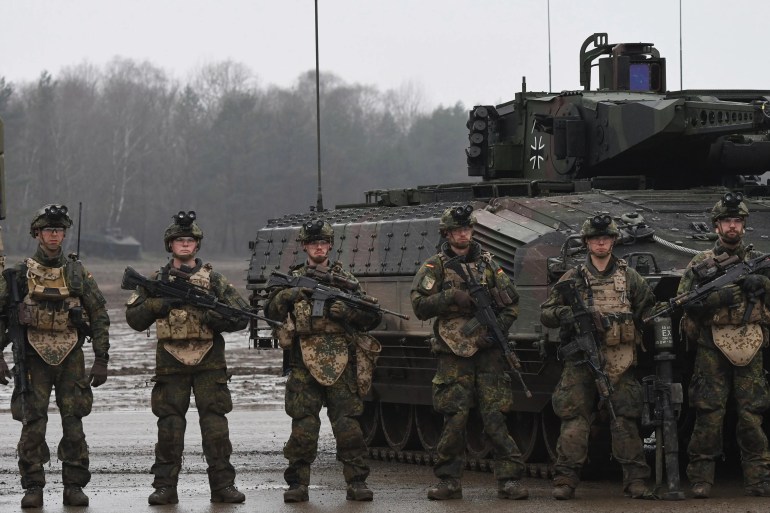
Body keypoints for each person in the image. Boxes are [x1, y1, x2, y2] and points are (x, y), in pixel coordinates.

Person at [125, 211, 248, 505]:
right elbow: (134, 318)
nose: (184, 244)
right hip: (170, 362)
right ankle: (165, 486)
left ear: (197, 245)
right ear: (170, 245)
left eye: (189, 240)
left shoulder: (213, 279)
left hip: (210, 363)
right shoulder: (156, 279)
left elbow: (241, 316)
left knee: (215, 426)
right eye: (179, 240)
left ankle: (223, 486)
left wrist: (214, 317)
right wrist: (159, 304)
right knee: (169, 427)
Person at [410, 205, 528, 501]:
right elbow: (419, 306)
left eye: (467, 229)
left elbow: (512, 304)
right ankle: (449, 480)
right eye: (457, 230)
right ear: (447, 233)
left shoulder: (489, 265)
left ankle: (509, 479)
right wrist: (451, 296)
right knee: (455, 417)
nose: (463, 234)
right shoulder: (434, 267)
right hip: (453, 352)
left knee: (495, 416)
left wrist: (495, 330)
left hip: (488, 353)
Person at [263, 219, 382, 503]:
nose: (319, 247)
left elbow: (373, 316)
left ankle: (356, 481)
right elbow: (270, 311)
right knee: (303, 426)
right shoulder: (293, 278)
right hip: (304, 362)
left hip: (342, 361)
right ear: (305, 246)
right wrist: (291, 294)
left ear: (329, 246)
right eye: (313, 243)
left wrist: (349, 314)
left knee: (348, 426)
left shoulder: (346, 281)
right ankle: (297, 484)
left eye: (323, 243)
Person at [0, 204, 110, 508]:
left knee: (73, 420)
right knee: (32, 422)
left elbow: (98, 311)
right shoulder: (19, 275)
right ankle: (33, 485)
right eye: (49, 230)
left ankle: (74, 485)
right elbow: (1, 314)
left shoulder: (76, 272)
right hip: (32, 355)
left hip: (70, 354)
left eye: (59, 230)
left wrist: (101, 357)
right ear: (37, 233)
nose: (54, 235)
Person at [540, 213, 655, 500]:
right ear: (588, 243)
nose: (600, 243)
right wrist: (573, 315)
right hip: (581, 361)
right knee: (574, 420)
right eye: (595, 239)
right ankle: (566, 479)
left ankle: (635, 480)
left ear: (613, 241)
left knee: (625, 419)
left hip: (620, 360)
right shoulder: (573, 278)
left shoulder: (630, 277)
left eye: (605, 239)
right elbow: (547, 313)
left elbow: (648, 311)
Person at [677, 192, 770, 498]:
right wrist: (720, 297)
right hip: (712, 347)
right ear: (716, 226)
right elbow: (684, 301)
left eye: (737, 221)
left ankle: (758, 478)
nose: (732, 226)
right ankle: (701, 477)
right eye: (727, 221)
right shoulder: (701, 263)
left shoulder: (759, 262)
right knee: (708, 412)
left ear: (744, 226)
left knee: (751, 414)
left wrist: (763, 284)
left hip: (750, 344)